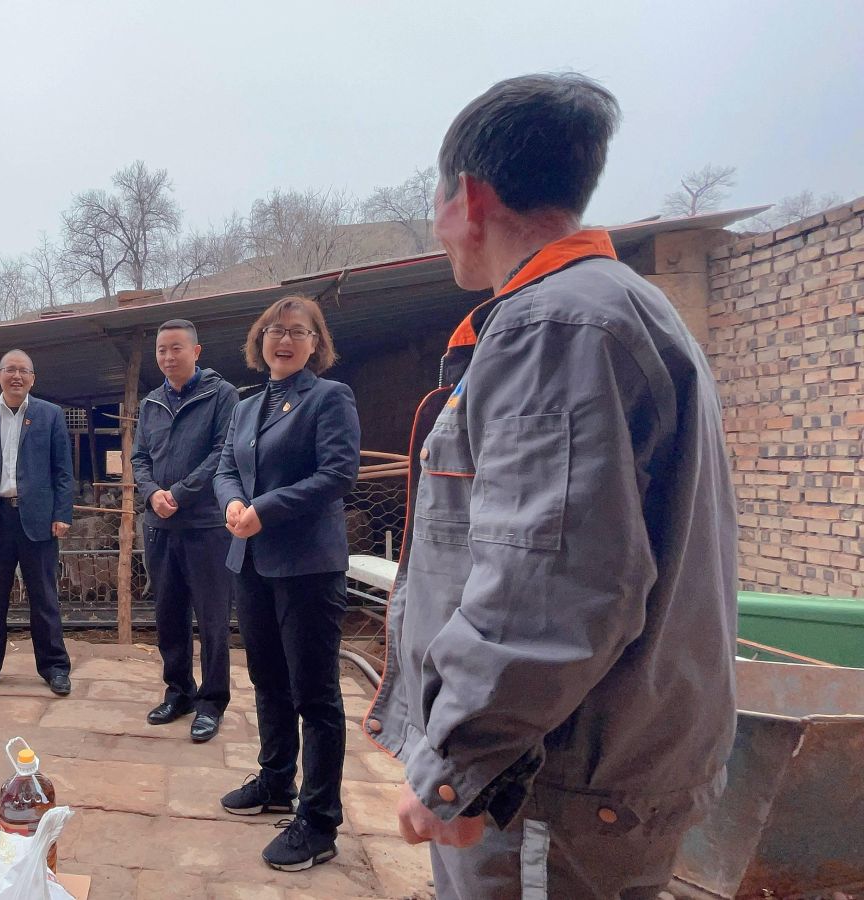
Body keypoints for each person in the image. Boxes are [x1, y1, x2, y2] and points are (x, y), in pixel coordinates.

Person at [363, 73, 738, 899]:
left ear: (468, 197)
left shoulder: (553, 326)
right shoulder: (619, 306)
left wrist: (458, 766)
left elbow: (548, 581)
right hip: (590, 768)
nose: (439, 226)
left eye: (437, 202)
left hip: (544, 785)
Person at [213, 295, 360, 872]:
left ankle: (319, 822)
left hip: (307, 567)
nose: (285, 339)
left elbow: (337, 474)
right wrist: (232, 503)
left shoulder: (329, 397)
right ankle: (276, 780)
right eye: (275, 329)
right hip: (251, 561)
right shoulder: (246, 405)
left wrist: (265, 509)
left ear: (316, 344)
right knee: (267, 679)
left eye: (299, 331)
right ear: (260, 340)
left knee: (315, 695)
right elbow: (227, 467)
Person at [131, 319, 239, 743]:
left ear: (196, 351)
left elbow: (223, 453)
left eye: (176, 348)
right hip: (160, 527)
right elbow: (139, 457)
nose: (168, 356)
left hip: (206, 525)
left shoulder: (221, 395)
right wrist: (152, 493)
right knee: (169, 616)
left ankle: (211, 703)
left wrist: (179, 492)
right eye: (161, 350)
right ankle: (178, 692)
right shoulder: (151, 403)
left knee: (212, 619)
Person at [0, 350, 76, 699]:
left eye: (24, 371)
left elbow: (63, 470)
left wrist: (62, 513)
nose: (17, 376)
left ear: (33, 379)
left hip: (38, 519)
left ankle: (55, 667)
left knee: (45, 598)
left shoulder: (50, 415)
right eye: (10, 370)